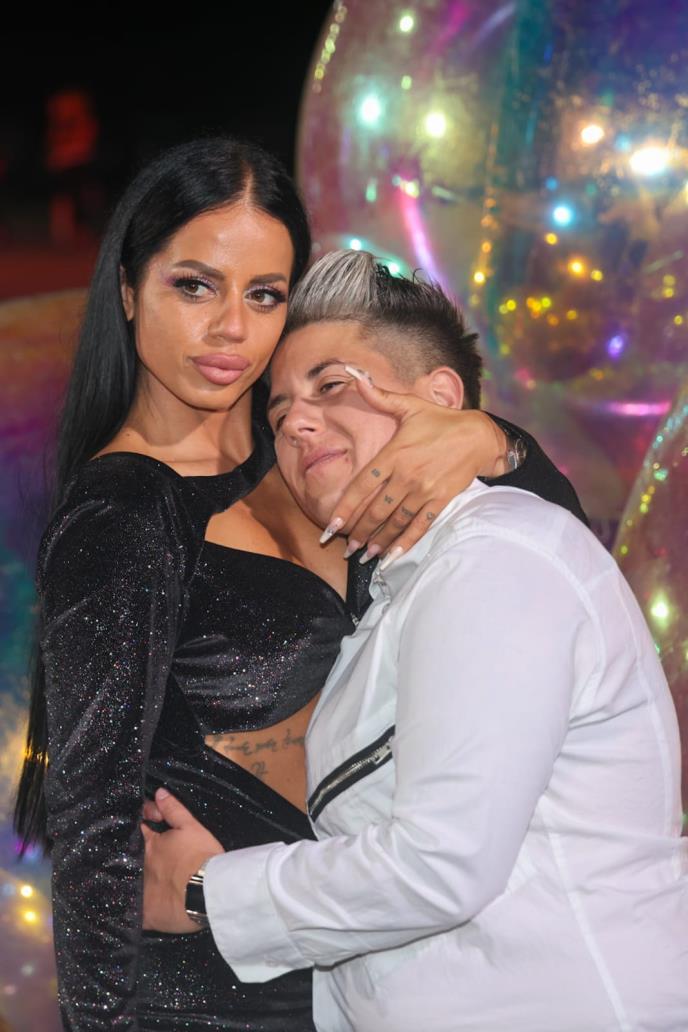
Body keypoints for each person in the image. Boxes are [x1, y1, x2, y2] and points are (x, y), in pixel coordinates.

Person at [13, 136, 585, 1032]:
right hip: (211, 995)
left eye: (264, 294)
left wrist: (489, 440)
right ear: (128, 289)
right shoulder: (122, 515)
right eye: (194, 286)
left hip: (368, 966)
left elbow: (557, 552)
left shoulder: (313, 450)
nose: (230, 329)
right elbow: (91, 829)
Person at [142, 250, 688, 1032]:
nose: (295, 423)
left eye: (333, 386)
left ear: (443, 404)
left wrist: (208, 893)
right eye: (279, 411)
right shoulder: (398, 597)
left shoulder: (493, 557)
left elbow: (441, 864)